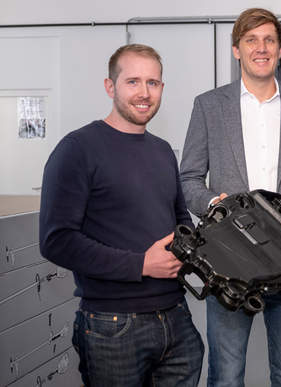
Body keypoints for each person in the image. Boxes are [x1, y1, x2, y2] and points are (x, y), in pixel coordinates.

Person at [179, 7, 281, 387]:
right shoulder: (209, 106)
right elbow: (188, 178)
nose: (260, 48)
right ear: (237, 50)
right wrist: (213, 207)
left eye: (269, 40)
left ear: (280, 50)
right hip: (229, 260)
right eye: (251, 40)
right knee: (227, 375)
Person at [39, 44, 203, 386]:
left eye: (153, 83)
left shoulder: (162, 152)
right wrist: (141, 264)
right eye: (133, 82)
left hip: (176, 318)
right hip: (112, 324)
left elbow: (180, 220)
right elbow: (57, 241)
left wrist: (192, 249)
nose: (144, 93)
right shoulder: (77, 149)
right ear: (110, 86)